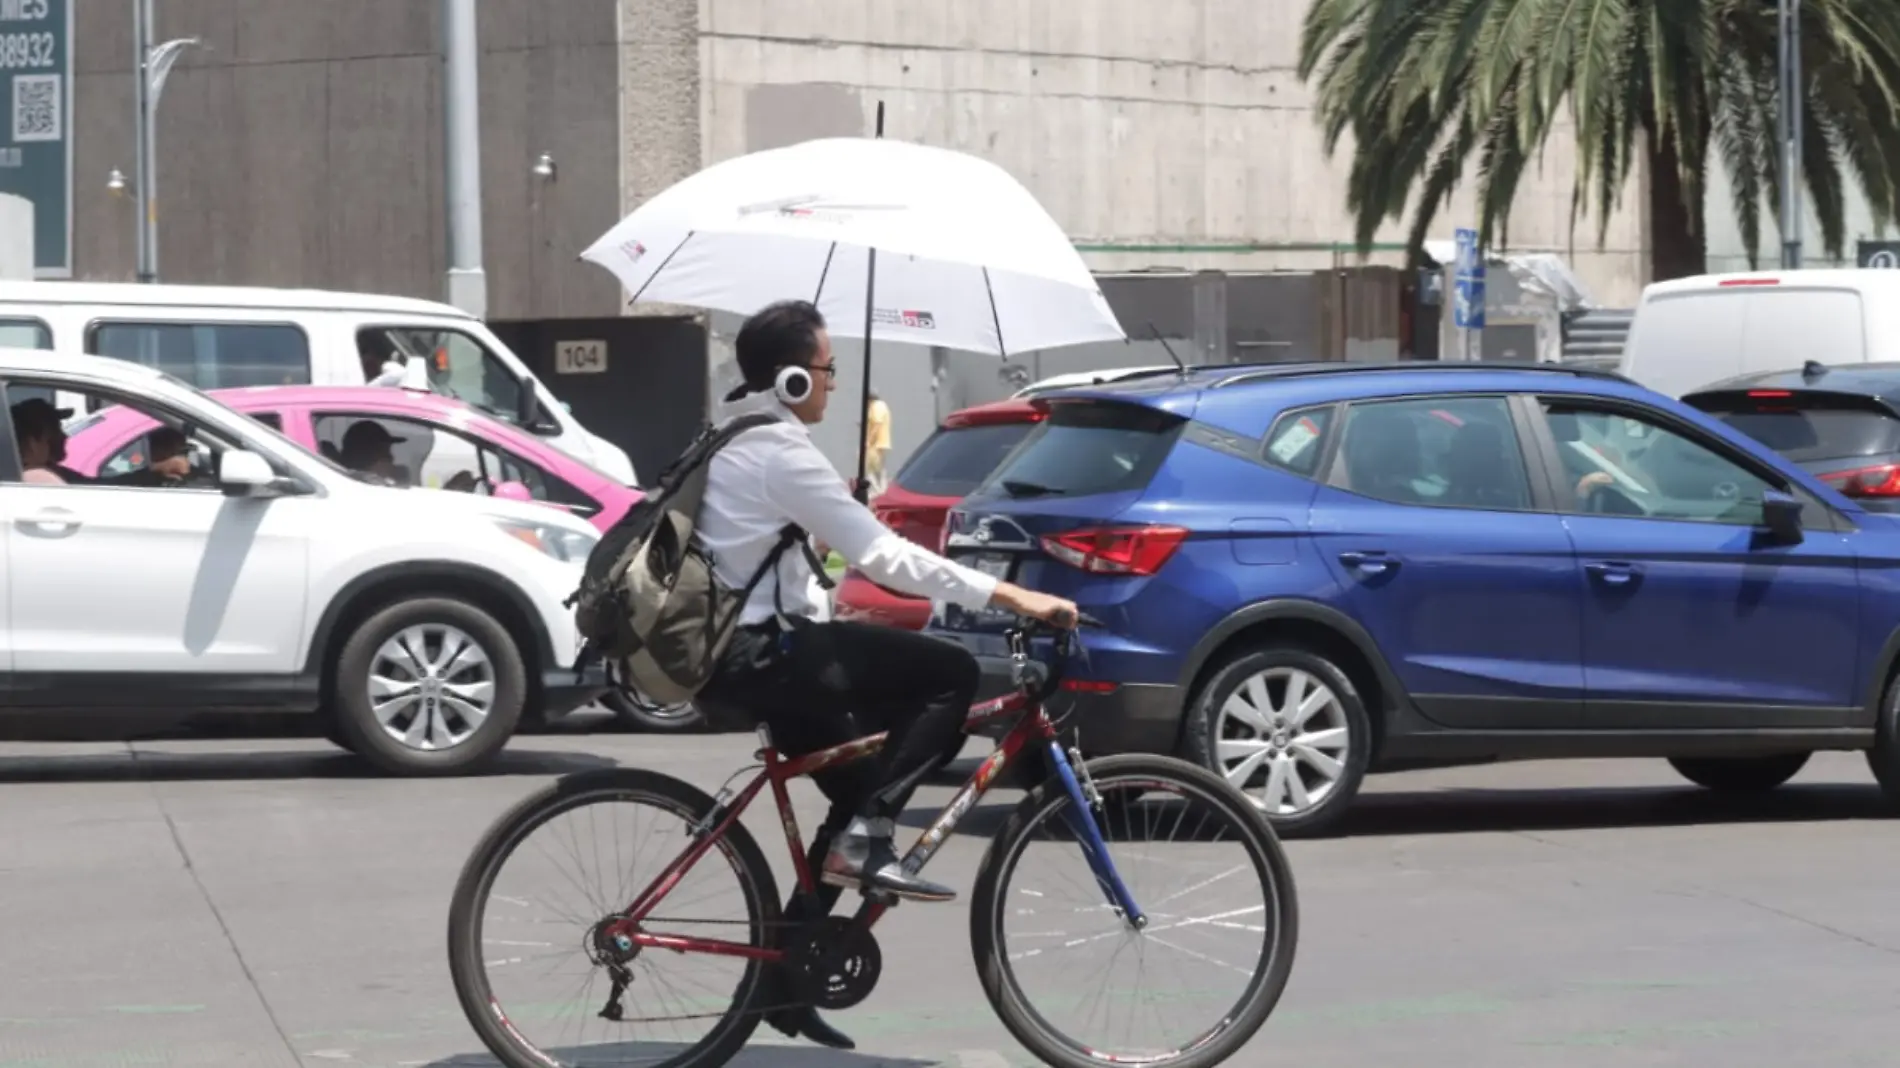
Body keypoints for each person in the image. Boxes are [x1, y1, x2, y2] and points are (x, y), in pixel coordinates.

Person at [693, 299, 1077, 1051]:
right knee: (948, 675)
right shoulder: (779, 449)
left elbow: (777, 558)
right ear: (796, 379)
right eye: (828, 369)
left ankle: (785, 982)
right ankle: (868, 840)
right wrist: (1009, 594)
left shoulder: (735, 434)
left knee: (861, 785)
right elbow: (885, 560)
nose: (835, 383)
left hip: (745, 652)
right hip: (766, 654)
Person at [863, 387, 891, 494]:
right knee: (879, 467)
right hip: (882, 442)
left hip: (875, 443)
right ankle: (882, 489)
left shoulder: (876, 407)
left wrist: (869, 440)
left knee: (868, 467)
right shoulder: (882, 406)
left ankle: (878, 490)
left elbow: (877, 424)